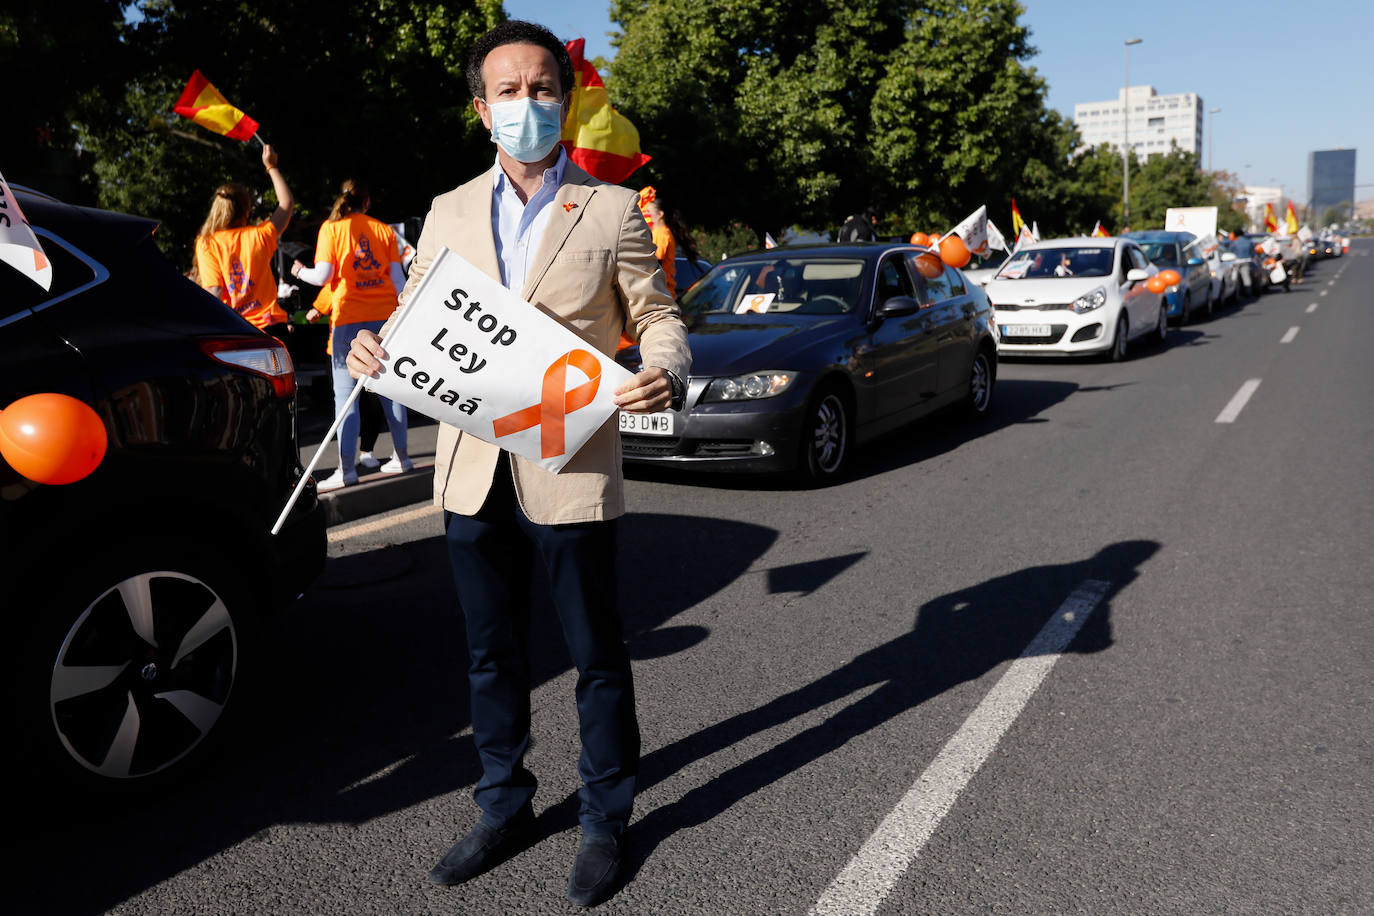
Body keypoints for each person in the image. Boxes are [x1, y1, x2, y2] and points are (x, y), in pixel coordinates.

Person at [346, 20, 689, 907]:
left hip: (569, 459)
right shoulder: (448, 210)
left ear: (564, 100)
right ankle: (503, 805)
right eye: (509, 91)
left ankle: (606, 817)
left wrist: (665, 368)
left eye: (543, 88)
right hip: (470, 467)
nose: (527, 104)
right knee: (490, 655)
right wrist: (373, 348)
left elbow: (656, 315)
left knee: (596, 652)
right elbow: (418, 316)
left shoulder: (611, 207)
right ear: (480, 108)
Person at [292, 181, 410, 490]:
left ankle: (346, 470)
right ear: (367, 202)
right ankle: (402, 457)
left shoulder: (332, 229)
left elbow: (323, 276)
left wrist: (298, 272)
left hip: (349, 319)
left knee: (345, 399)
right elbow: (399, 281)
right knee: (390, 390)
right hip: (385, 318)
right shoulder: (384, 230)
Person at [194, 144, 294, 336]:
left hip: (235, 330)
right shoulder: (260, 235)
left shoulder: (207, 243)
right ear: (247, 211)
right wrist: (271, 166)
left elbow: (213, 292)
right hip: (271, 327)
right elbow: (287, 204)